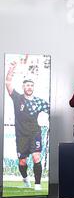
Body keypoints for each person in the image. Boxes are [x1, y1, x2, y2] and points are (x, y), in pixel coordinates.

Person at [5, 61, 50, 190]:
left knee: (37, 157)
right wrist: (11, 69)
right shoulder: (17, 98)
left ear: (33, 87)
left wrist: (47, 121)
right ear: (23, 87)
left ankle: (37, 184)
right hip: (21, 135)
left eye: (31, 85)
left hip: (35, 133)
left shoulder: (39, 102)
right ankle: (25, 178)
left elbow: (51, 112)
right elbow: (8, 83)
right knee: (22, 161)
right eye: (27, 85)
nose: (29, 87)